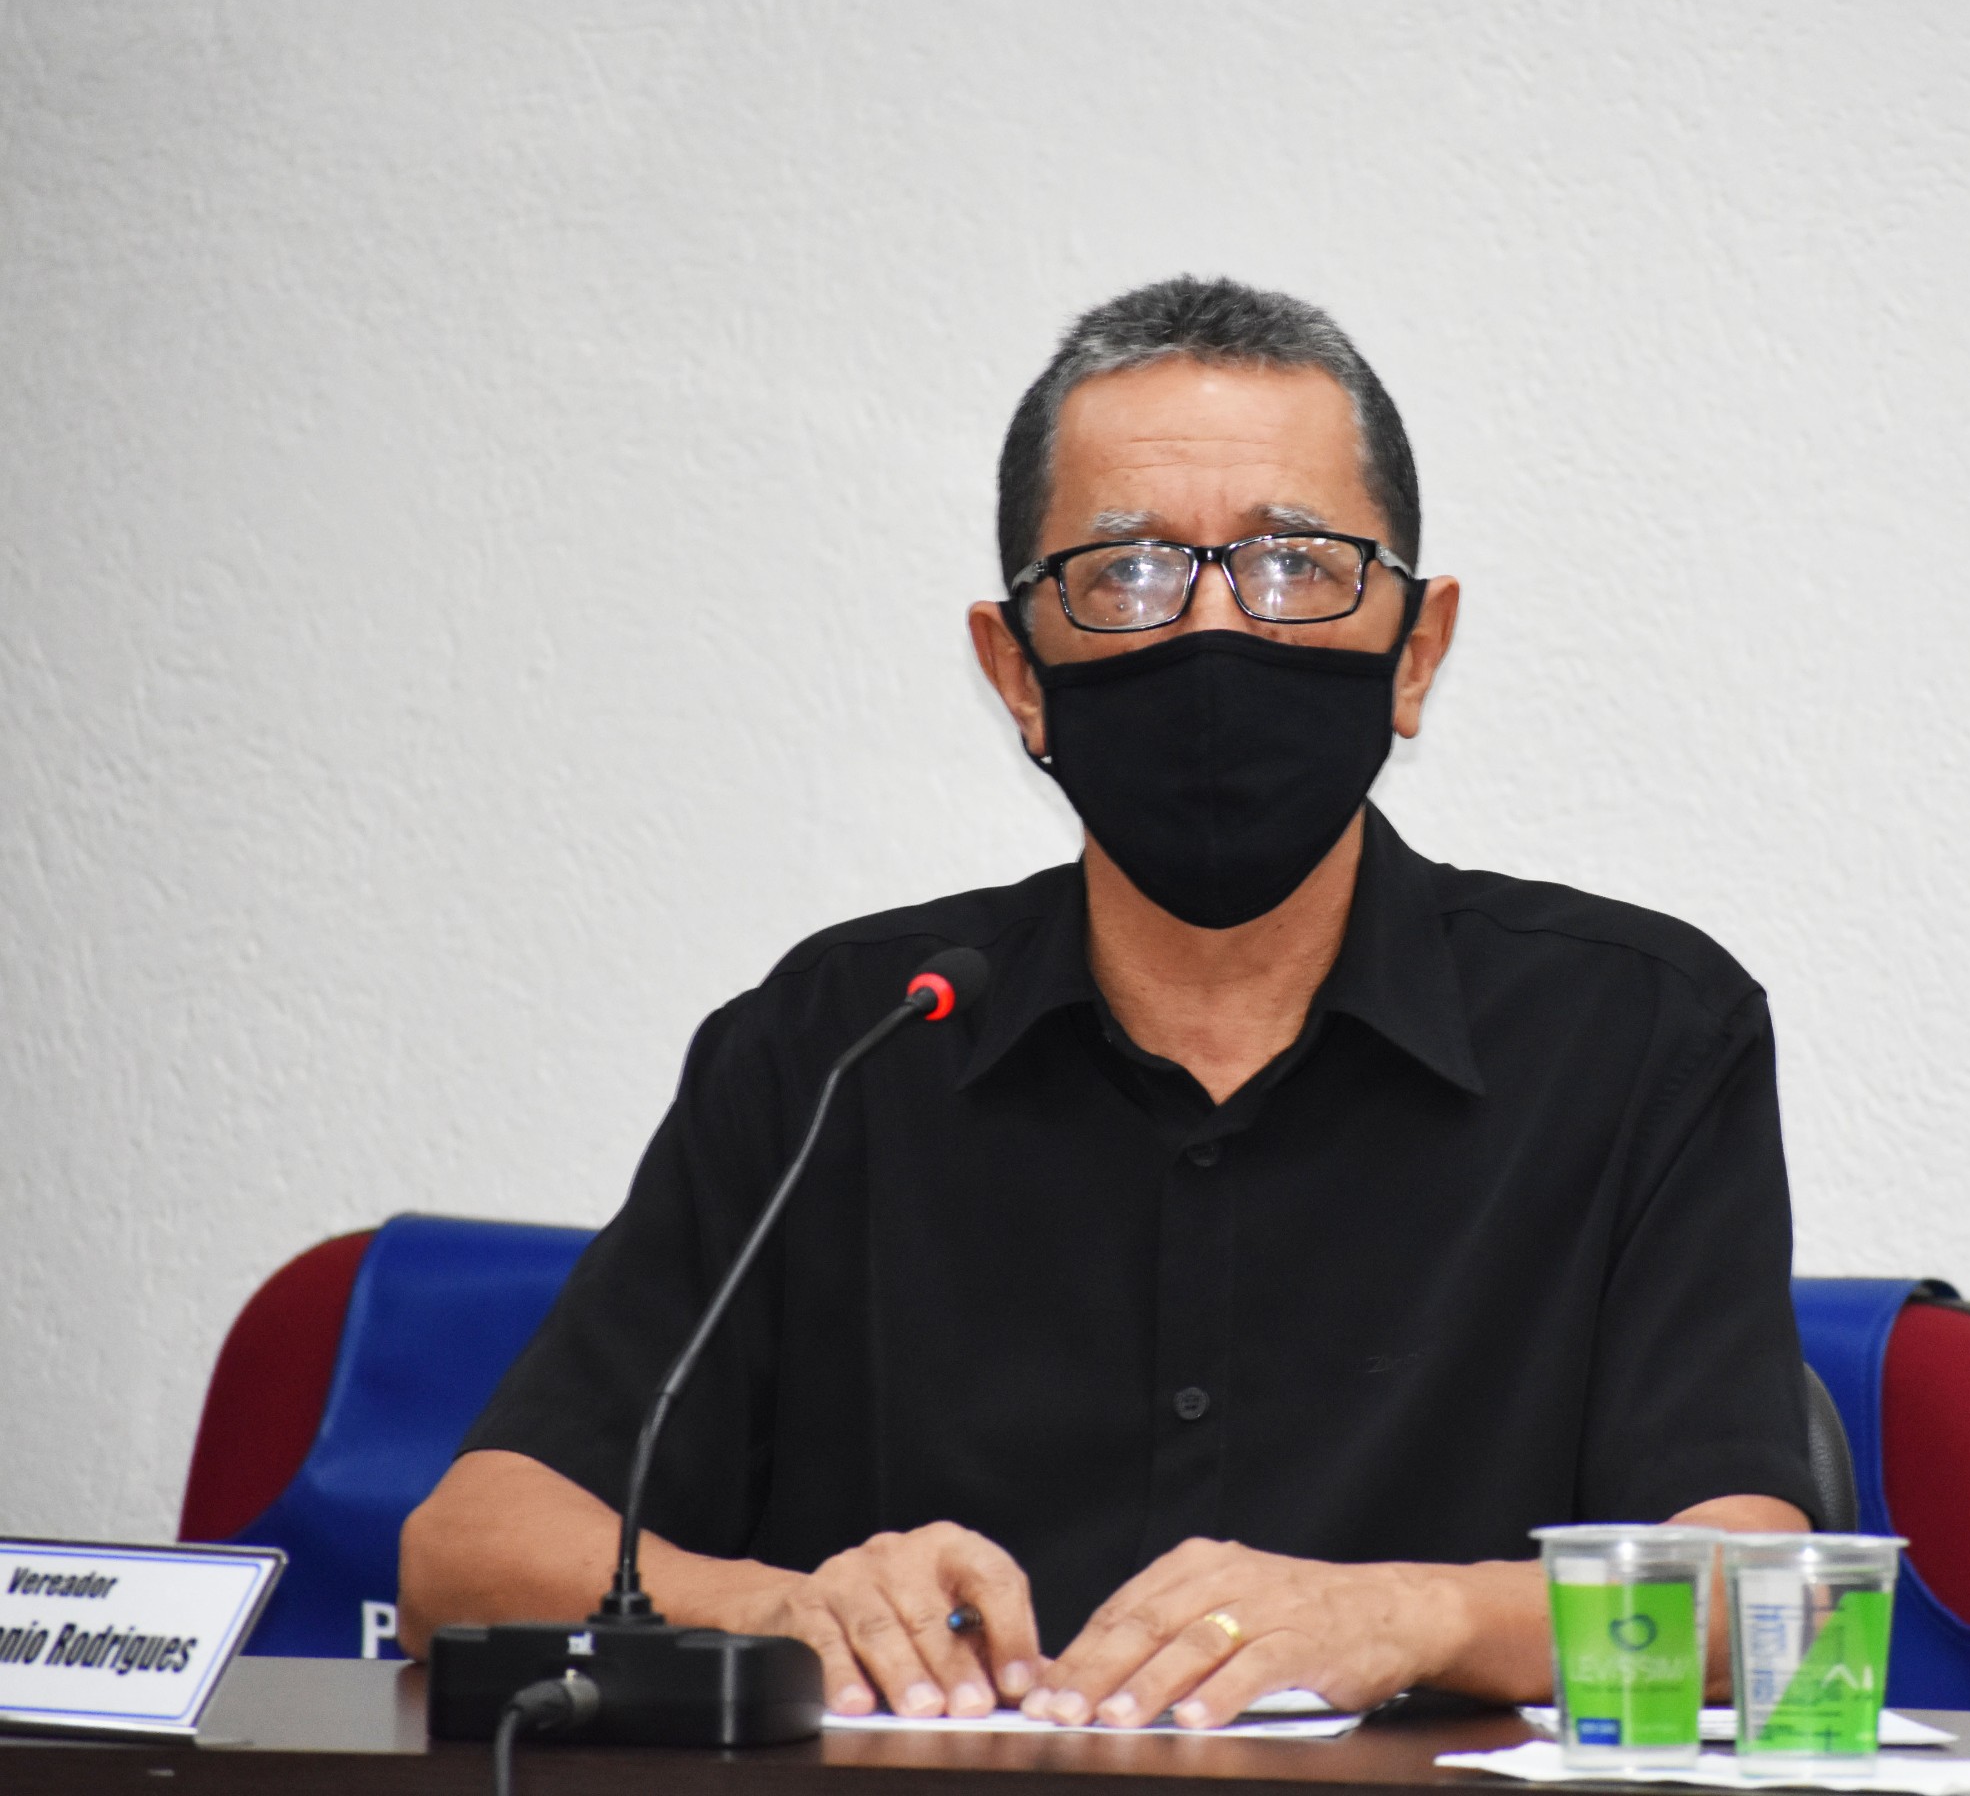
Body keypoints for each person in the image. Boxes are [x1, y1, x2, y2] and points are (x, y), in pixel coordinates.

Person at [399, 277, 1821, 1730]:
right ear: (1017, 672)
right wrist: (782, 1612)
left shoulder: (1634, 1036)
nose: (1212, 627)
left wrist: (1413, 1615)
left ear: (1418, 650)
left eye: (1294, 563)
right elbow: (465, 1558)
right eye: (1126, 572)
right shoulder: (840, 1046)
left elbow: (1756, 1594)